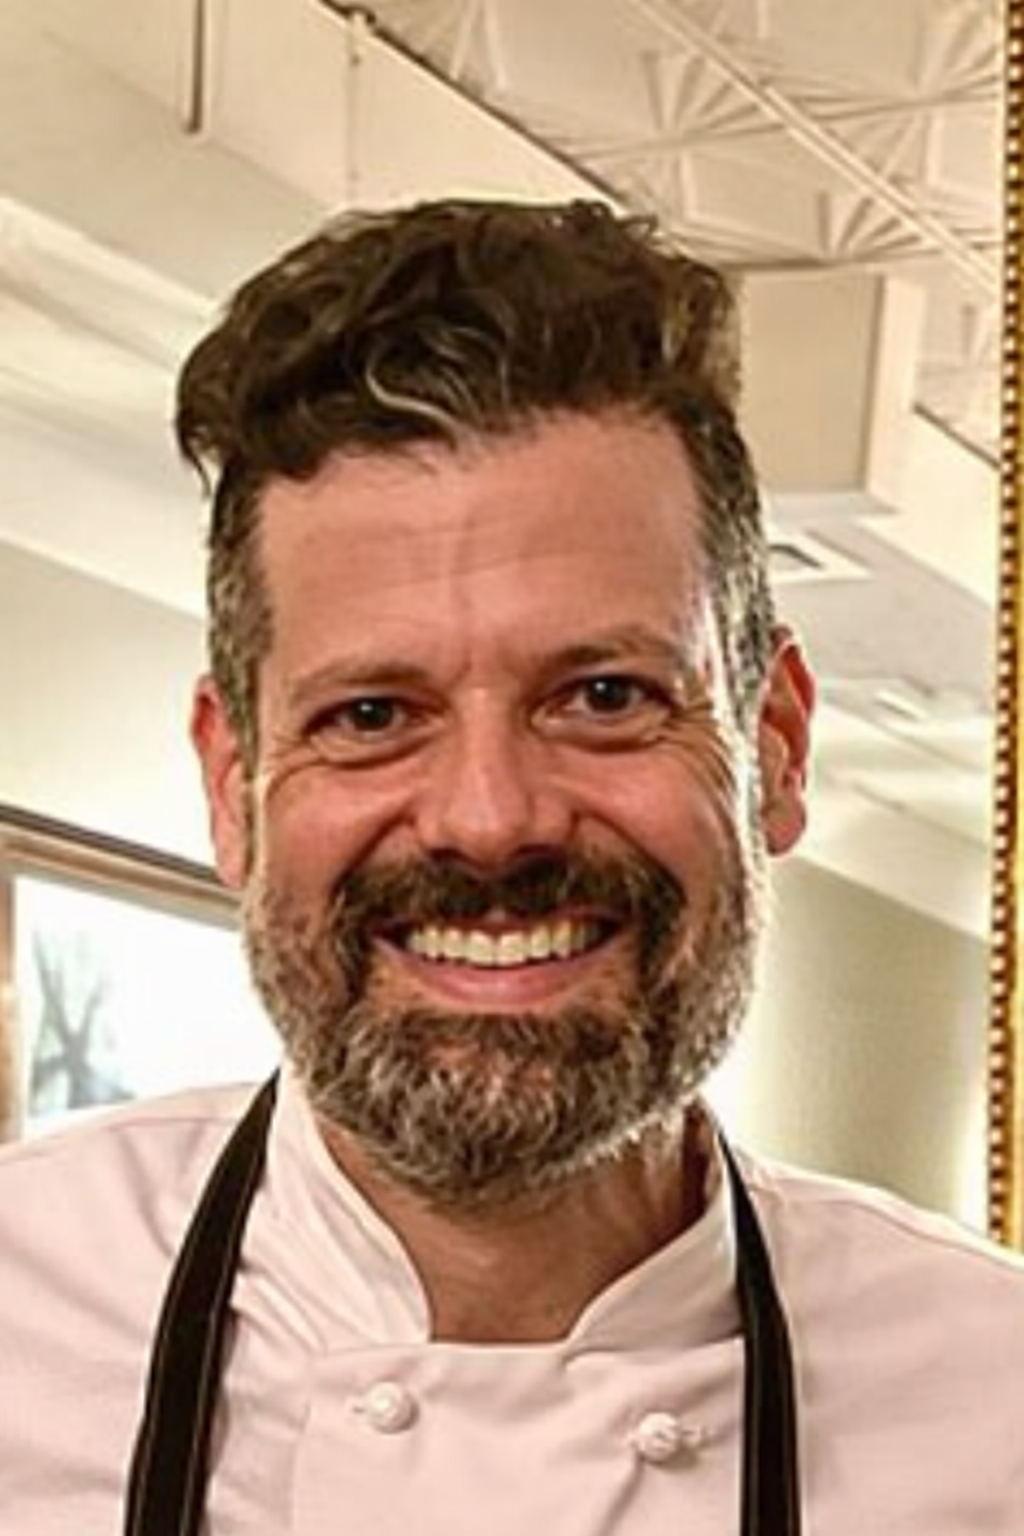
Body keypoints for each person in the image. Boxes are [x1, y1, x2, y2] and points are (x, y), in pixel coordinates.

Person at [1, 199, 1021, 1536]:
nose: (489, 820)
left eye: (601, 695)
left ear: (772, 747)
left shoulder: (996, 1404)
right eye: (371, 716)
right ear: (229, 781)